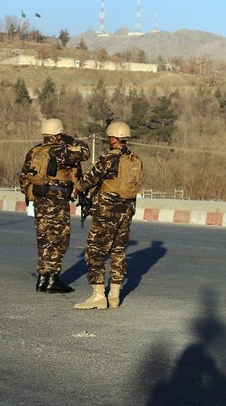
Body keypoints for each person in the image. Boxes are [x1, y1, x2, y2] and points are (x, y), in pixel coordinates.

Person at [74, 121, 142, 310]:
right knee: (118, 250)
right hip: (126, 210)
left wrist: (78, 187)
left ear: (113, 138)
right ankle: (114, 295)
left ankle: (98, 296)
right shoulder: (134, 159)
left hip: (107, 211)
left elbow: (89, 178)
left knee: (96, 250)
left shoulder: (109, 158)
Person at [19, 118, 91, 293]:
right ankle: (53, 280)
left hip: (39, 200)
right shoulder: (61, 151)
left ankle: (42, 279)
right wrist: (71, 140)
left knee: (44, 239)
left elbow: (23, 179)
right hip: (56, 200)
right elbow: (85, 152)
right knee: (58, 239)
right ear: (58, 134)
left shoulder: (34, 151)